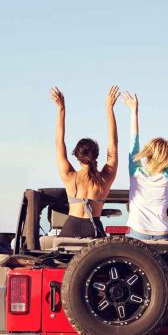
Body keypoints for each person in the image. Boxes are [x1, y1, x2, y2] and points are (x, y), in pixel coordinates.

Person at [49, 85, 121, 238]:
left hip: (71, 228)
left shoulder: (69, 176)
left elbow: (59, 142)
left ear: (76, 155)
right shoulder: (105, 178)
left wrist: (61, 109)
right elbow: (113, 144)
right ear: (96, 155)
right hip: (95, 229)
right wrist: (109, 108)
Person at [122, 92, 168, 241]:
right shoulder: (167, 177)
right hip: (162, 234)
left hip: (137, 233)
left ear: (148, 152)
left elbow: (133, 141)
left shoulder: (136, 173)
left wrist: (134, 112)